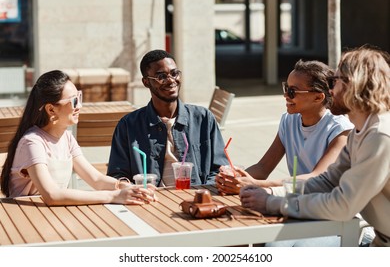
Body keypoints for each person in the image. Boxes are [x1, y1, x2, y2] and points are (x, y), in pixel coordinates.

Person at [240, 45, 390, 247]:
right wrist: (269, 195)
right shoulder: (361, 131)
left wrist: (273, 203)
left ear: (354, 84)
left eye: (334, 81)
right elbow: (327, 181)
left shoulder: (379, 136)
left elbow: (343, 205)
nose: (330, 90)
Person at [0, 70, 157, 206]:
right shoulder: (32, 142)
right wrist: (113, 196)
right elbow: (52, 195)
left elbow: (95, 179)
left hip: (53, 216)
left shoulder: (66, 137)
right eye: (74, 101)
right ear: (51, 109)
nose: (79, 106)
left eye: (79, 97)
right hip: (24, 220)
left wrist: (125, 187)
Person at [216, 59, 354, 195]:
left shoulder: (340, 130)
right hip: (301, 198)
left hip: (330, 205)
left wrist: (256, 184)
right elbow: (263, 167)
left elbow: (316, 178)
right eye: (286, 88)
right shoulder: (289, 120)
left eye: (293, 91)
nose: (285, 95)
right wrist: (234, 178)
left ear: (318, 98)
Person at [107, 49, 228, 186]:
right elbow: (117, 175)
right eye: (161, 76)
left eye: (174, 73)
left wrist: (204, 191)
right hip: (149, 201)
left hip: (194, 198)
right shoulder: (128, 125)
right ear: (146, 82)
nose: (171, 80)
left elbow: (220, 169)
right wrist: (127, 186)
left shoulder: (203, 118)